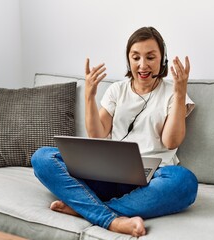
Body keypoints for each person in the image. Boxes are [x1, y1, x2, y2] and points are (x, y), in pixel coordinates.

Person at [31, 26, 198, 237]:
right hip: (108, 174)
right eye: (136, 57)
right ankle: (113, 220)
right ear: (128, 60)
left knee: (185, 182)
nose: (142, 65)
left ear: (162, 60)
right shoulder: (116, 90)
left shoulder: (173, 92)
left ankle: (88, 209)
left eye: (150, 57)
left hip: (153, 178)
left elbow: (171, 141)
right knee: (43, 158)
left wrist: (180, 92)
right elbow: (97, 135)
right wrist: (89, 96)